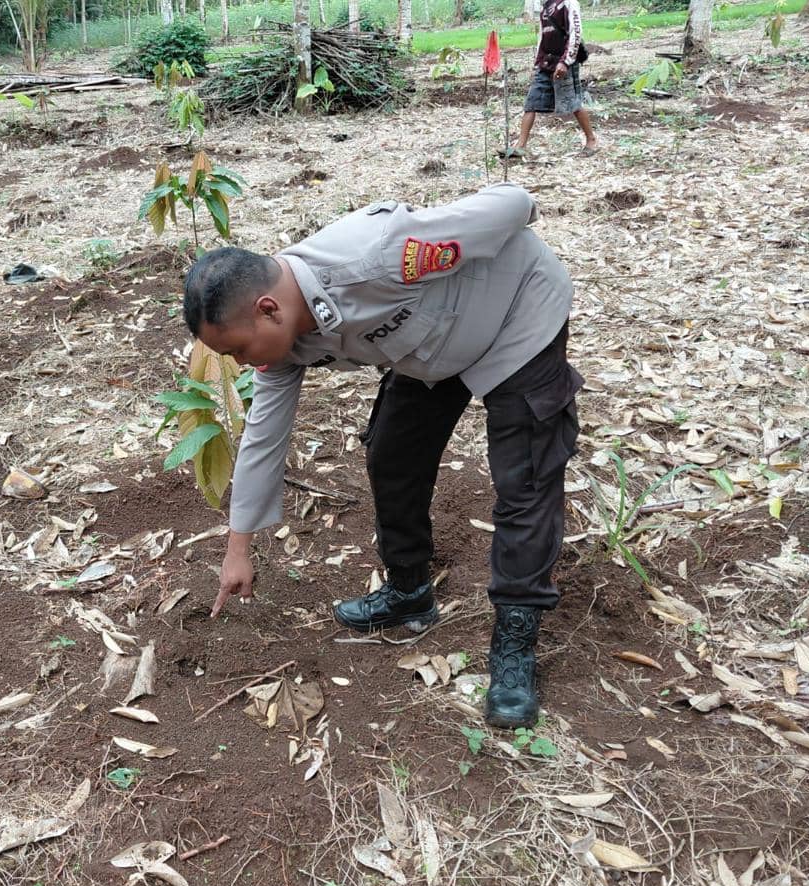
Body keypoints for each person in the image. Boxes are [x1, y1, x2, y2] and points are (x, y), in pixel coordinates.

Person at [181, 184, 583, 729]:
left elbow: (512, 203)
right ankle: (410, 591)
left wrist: (510, 219)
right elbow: (263, 436)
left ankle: (515, 642)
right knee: (393, 455)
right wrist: (238, 548)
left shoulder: (377, 254)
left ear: (267, 309)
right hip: (431, 346)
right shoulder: (285, 338)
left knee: (525, 479)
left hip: (516, 313)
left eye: (236, 350)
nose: (241, 363)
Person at [505, 0, 598, 158]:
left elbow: (575, 32)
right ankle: (521, 145)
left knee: (573, 103)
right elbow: (542, 37)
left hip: (564, 63)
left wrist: (565, 62)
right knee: (531, 103)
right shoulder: (546, 7)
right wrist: (538, 62)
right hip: (546, 63)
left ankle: (591, 140)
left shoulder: (569, 3)